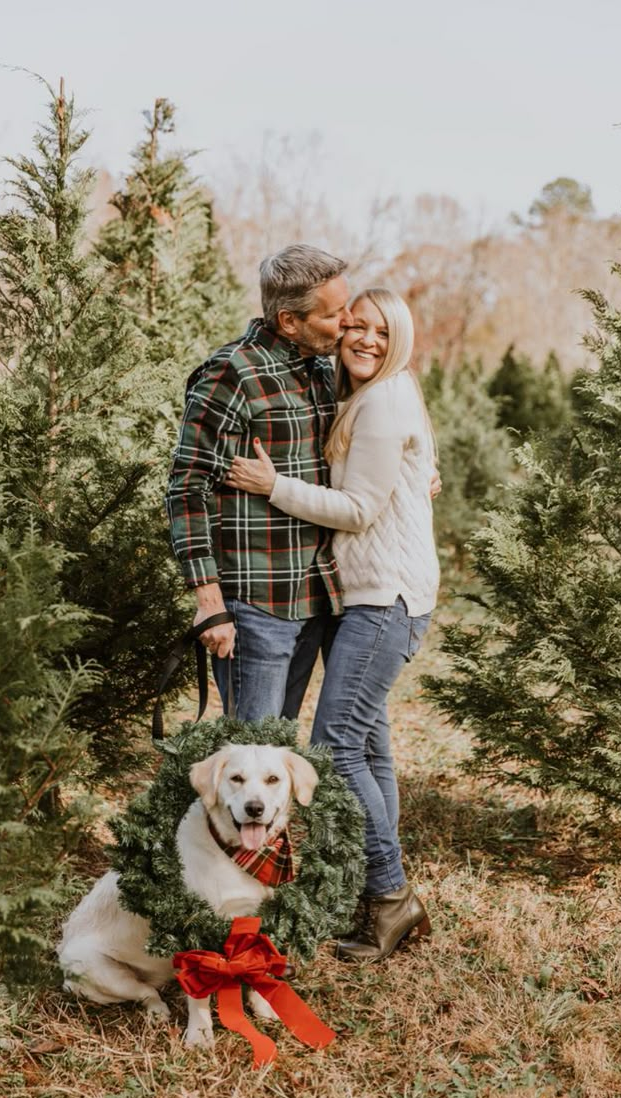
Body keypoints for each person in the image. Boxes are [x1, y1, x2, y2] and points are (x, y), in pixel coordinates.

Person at [226, 287, 440, 964]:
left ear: (399, 338)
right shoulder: (369, 394)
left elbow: (357, 508)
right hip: (376, 595)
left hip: (386, 599)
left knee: (337, 746)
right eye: (354, 326)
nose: (365, 339)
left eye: (381, 330)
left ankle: (388, 894)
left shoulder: (383, 400)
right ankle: (377, 890)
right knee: (370, 747)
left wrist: (272, 487)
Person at [165, 244, 354, 721]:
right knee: (252, 749)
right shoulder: (233, 373)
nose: (348, 321)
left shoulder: (322, 369)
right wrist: (209, 602)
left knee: (275, 751)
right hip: (256, 605)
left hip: (316, 595)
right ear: (290, 321)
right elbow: (187, 488)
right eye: (334, 314)